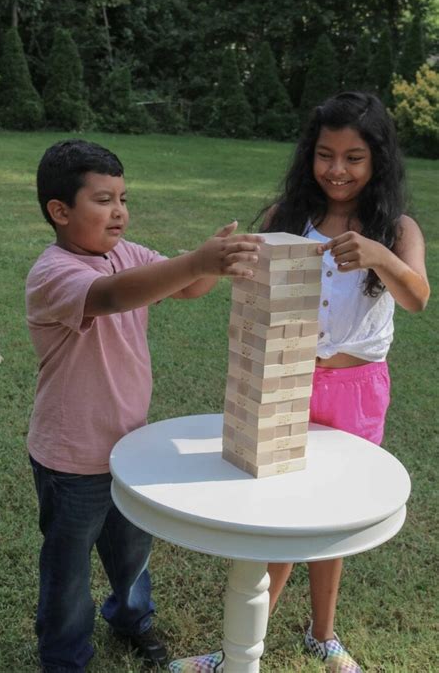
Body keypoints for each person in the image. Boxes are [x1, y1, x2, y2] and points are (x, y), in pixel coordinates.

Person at [168, 91, 430, 673]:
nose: (337, 170)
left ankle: (322, 634)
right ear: (309, 155)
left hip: (359, 389)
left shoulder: (395, 226)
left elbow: (417, 297)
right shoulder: (286, 219)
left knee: (331, 514)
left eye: (354, 157)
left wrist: (379, 257)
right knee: (277, 518)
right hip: (286, 379)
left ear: (377, 160)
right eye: (325, 154)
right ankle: (239, 647)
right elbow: (236, 285)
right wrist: (217, 260)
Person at [26, 138, 264, 673]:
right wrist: (195, 260)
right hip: (70, 459)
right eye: (104, 200)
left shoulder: (126, 253)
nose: (120, 211)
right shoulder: (54, 273)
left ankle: (132, 621)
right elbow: (114, 295)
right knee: (68, 570)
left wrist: (212, 265)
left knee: (132, 554)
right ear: (60, 212)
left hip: (128, 449)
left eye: (124, 198)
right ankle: (64, 657)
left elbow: (185, 289)